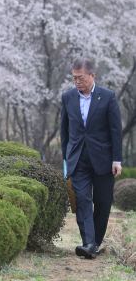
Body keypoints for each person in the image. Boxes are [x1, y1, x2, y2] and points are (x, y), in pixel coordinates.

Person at [60, 56, 122, 259]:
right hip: (78, 158)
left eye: (81, 78)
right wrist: (66, 160)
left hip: (103, 159)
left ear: (92, 75)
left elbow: (115, 131)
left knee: (103, 202)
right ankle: (88, 243)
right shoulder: (68, 97)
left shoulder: (108, 96)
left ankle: (94, 243)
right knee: (83, 199)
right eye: (74, 78)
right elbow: (64, 131)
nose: (77, 82)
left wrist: (117, 160)